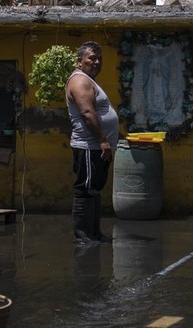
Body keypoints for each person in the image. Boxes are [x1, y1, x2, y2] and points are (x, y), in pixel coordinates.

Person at [66, 41, 119, 244]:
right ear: (80, 62)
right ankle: (83, 237)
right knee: (85, 190)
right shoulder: (80, 81)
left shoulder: (88, 80)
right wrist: (103, 140)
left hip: (98, 147)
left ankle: (94, 234)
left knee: (94, 189)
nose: (96, 62)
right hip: (89, 146)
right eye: (91, 58)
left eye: (99, 59)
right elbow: (87, 113)